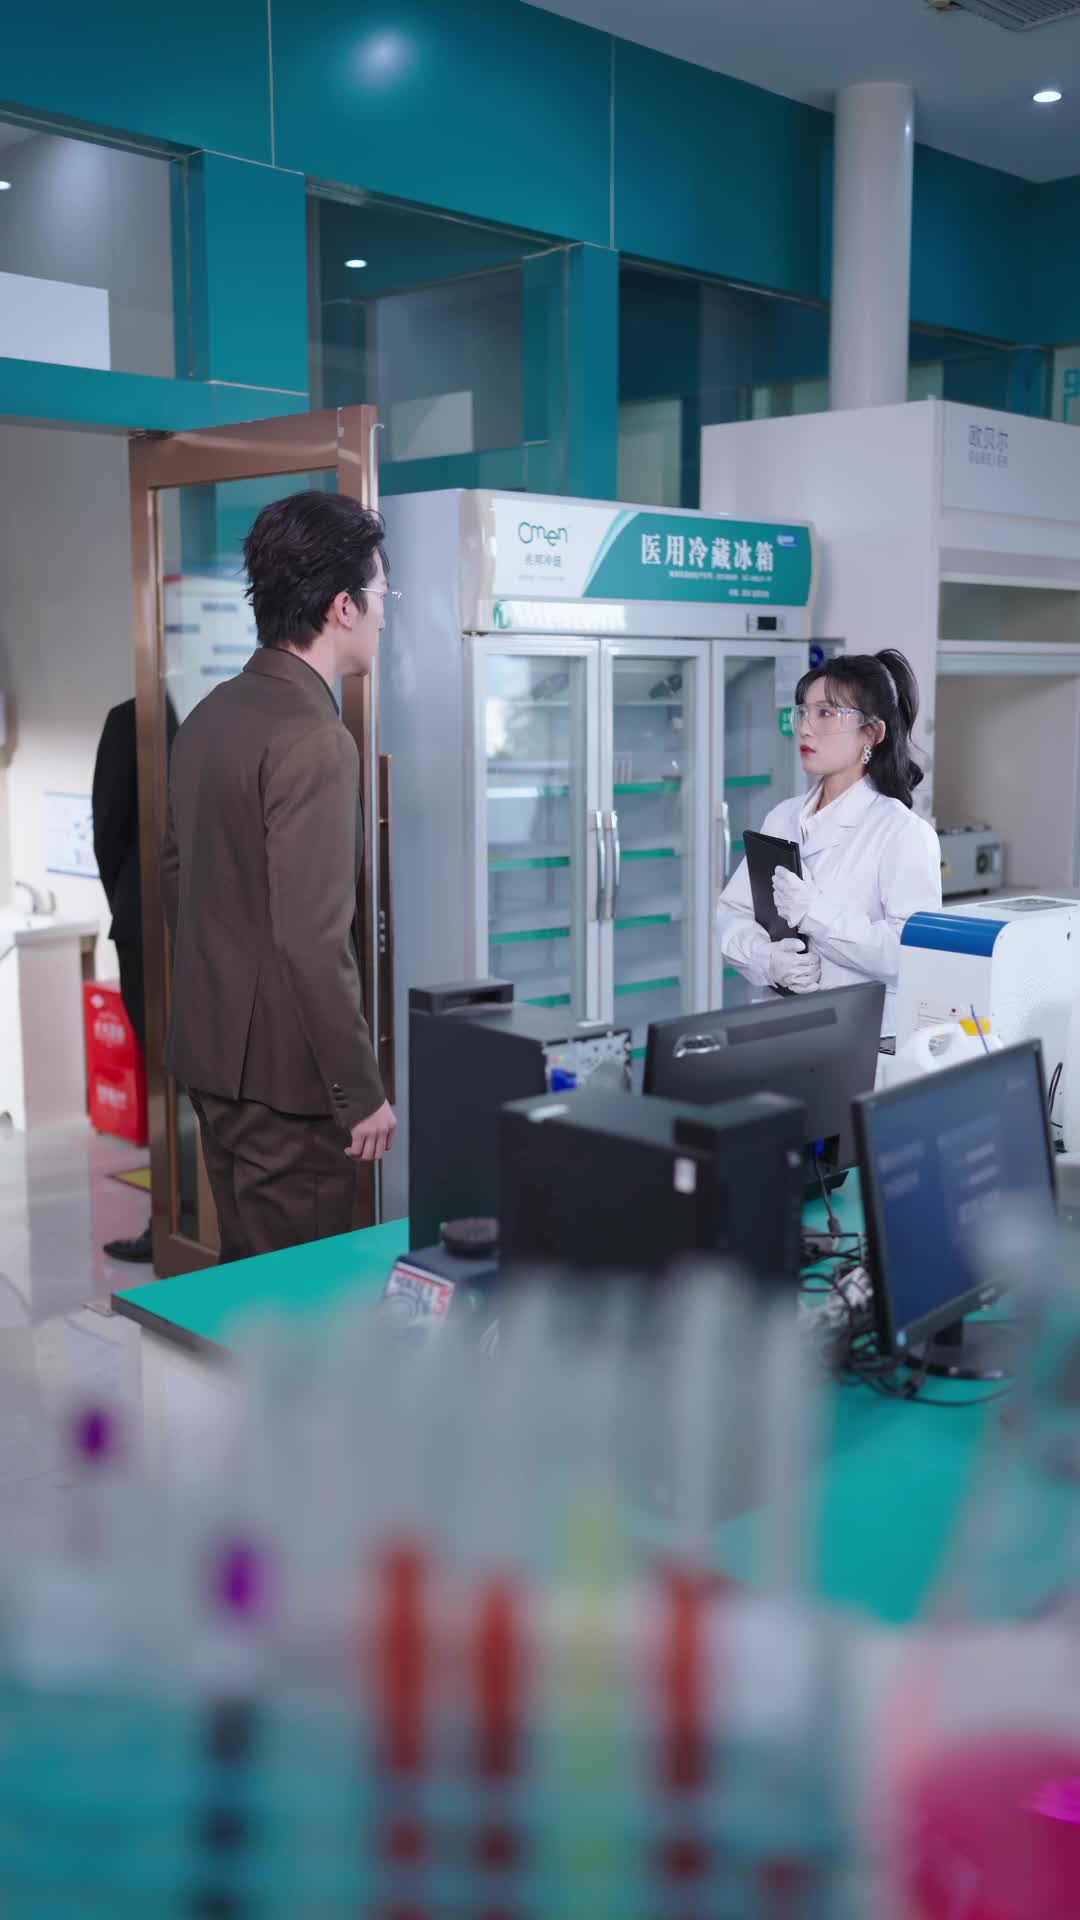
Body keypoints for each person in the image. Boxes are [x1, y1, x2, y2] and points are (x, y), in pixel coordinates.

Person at [161, 491, 396, 1264]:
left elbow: (177, 879)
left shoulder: (210, 715)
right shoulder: (316, 739)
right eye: (381, 595)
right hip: (291, 1090)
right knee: (302, 1306)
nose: (384, 616)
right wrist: (360, 1092)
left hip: (213, 1064)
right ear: (342, 607)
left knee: (246, 1285)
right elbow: (313, 939)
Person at [715, 649, 941, 1037]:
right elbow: (731, 915)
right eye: (803, 712)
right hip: (780, 1028)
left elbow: (912, 954)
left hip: (860, 1038)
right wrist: (767, 959)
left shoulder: (902, 832)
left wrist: (816, 915)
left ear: (872, 734)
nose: (805, 728)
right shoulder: (782, 817)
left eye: (825, 713)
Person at [91, 695, 176, 1264]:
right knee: (170, 1078)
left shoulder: (228, 712)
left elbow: (109, 832)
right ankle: (173, 1221)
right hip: (151, 928)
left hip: (187, 929)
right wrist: (133, 906)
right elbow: (109, 830)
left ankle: (192, 1220)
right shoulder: (134, 718)